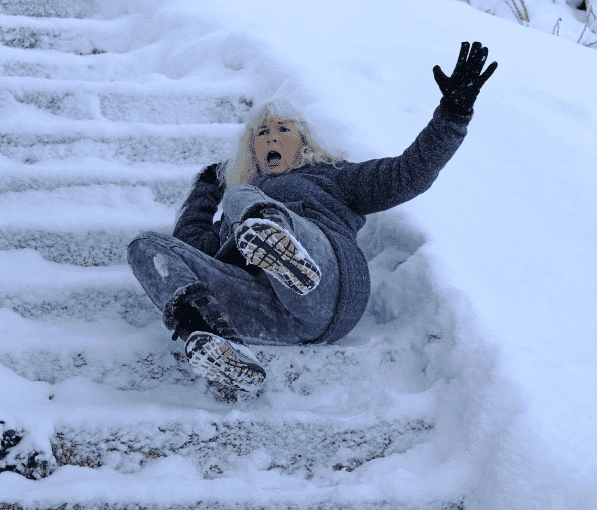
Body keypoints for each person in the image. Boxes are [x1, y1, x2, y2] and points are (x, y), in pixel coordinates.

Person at [127, 41, 498, 396]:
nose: (271, 137)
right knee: (146, 247)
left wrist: (453, 115)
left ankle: (279, 244)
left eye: (282, 129)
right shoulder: (233, 212)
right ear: (252, 148)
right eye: (262, 133)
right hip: (268, 314)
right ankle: (215, 337)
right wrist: (207, 187)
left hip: (328, 288)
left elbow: (408, 174)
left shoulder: (334, 176)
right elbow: (187, 249)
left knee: (242, 195)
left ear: (302, 141)